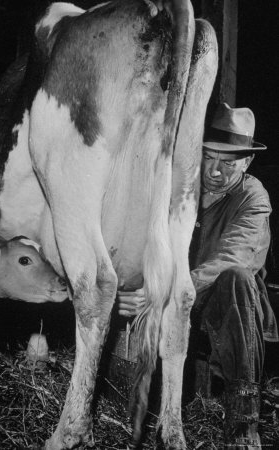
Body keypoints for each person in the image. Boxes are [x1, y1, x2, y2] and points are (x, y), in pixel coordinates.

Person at [117, 103, 278, 449]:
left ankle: (243, 430)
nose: (215, 171)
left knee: (236, 278)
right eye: (209, 157)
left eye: (228, 163)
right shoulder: (178, 186)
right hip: (167, 300)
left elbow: (233, 259)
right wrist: (126, 288)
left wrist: (161, 291)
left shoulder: (253, 197)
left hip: (225, 313)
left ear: (247, 162)